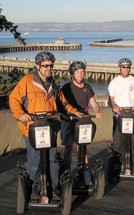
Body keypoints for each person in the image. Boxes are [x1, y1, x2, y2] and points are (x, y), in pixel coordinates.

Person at [9, 51, 82, 199]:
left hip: (50, 127)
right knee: (35, 160)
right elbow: (13, 99)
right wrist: (20, 114)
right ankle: (33, 187)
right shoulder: (27, 81)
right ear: (38, 66)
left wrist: (75, 112)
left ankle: (54, 187)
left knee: (52, 159)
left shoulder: (52, 84)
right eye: (46, 66)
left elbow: (63, 101)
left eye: (51, 65)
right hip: (31, 128)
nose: (49, 68)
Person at [59, 61, 101, 184]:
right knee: (68, 146)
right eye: (77, 72)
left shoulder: (87, 87)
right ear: (73, 74)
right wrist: (68, 116)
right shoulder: (66, 87)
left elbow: (94, 103)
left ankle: (84, 171)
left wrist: (97, 112)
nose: (80, 74)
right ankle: (66, 171)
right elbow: (61, 105)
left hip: (83, 120)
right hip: (69, 119)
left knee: (83, 146)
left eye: (82, 71)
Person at [108, 57, 134, 176]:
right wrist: (114, 106)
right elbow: (111, 99)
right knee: (118, 142)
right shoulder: (114, 82)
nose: (125, 69)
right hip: (119, 114)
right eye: (123, 67)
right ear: (119, 68)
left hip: (132, 113)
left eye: (128, 67)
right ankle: (121, 163)